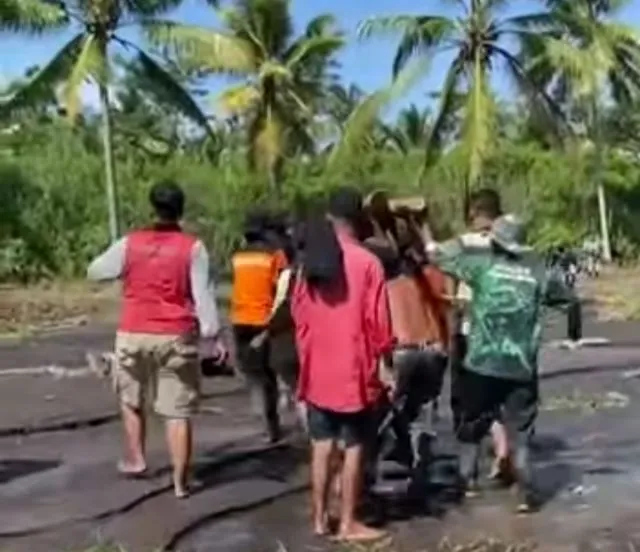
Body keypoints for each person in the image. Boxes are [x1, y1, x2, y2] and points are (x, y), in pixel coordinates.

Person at [87, 180, 225, 499]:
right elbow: (203, 297)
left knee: (130, 397)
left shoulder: (129, 243)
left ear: (153, 207)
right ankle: (180, 482)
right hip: (175, 335)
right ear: (181, 209)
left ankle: (136, 459)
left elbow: (95, 270)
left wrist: (127, 271)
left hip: (133, 331)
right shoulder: (193, 248)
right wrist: (212, 336)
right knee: (177, 411)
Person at [426, 214, 573, 512]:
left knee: (471, 426)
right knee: (520, 433)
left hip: (481, 363)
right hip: (521, 366)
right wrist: (572, 331)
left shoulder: (482, 264)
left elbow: (435, 255)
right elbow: (569, 299)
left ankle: (466, 483)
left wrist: (426, 227)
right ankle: (525, 494)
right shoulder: (537, 271)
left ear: (495, 242)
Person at [292, 187, 393, 542]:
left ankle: (319, 520)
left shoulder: (310, 261)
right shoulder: (367, 263)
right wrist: (384, 363)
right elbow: (378, 322)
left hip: (318, 368)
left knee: (321, 444)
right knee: (353, 446)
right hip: (353, 370)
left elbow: (299, 316)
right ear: (358, 219)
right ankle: (348, 523)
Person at [448, 188, 510, 482]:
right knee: (495, 397)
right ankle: (503, 446)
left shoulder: (464, 244)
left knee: (468, 402)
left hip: (471, 331)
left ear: (474, 214)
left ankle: (468, 472)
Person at [230, 212, 287, 443]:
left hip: (239, 318)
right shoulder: (274, 255)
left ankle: (262, 418)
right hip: (264, 320)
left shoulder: (238, 257)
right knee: (268, 375)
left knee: (251, 372)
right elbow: (281, 287)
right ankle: (271, 423)